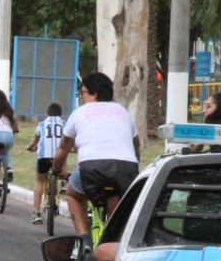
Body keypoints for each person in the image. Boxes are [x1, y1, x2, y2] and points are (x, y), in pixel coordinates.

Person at [51, 72, 139, 247]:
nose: (81, 97)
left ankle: (84, 241)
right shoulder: (123, 112)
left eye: (83, 92)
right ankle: (115, 240)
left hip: (92, 168)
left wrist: (56, 169)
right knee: (118, 201)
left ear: (94, 93)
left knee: (72, 193)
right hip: (126, 168)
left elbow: (63, 148)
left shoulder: (79, 113)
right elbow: (135, 146)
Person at [25, 102, 64, 224]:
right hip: (59, 157)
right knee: (63, 154)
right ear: (60, 114)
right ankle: (64, 182)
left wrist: (29, 147)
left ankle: (35, 212)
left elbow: (35, 141)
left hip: (43, 157)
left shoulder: (42, 124)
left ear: (47, 114)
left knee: (39, 180)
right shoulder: (64, 123)